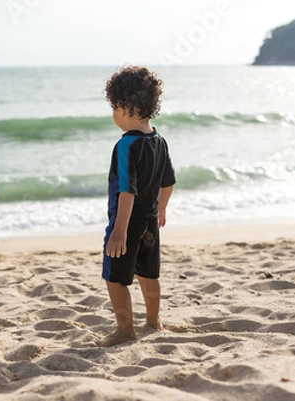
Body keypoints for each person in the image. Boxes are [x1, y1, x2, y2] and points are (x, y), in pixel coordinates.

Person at [99, 66, 176, 347]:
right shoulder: (159, 141)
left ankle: (125, 330)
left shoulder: (126, 145)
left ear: (123, 107)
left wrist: (119, 230)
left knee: (116, 278)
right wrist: (162, 208)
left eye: (113, 107)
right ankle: (153, 320)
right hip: (150, 220)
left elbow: (126, 190)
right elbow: (168, 182)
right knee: (148, 273)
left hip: (127, 222)